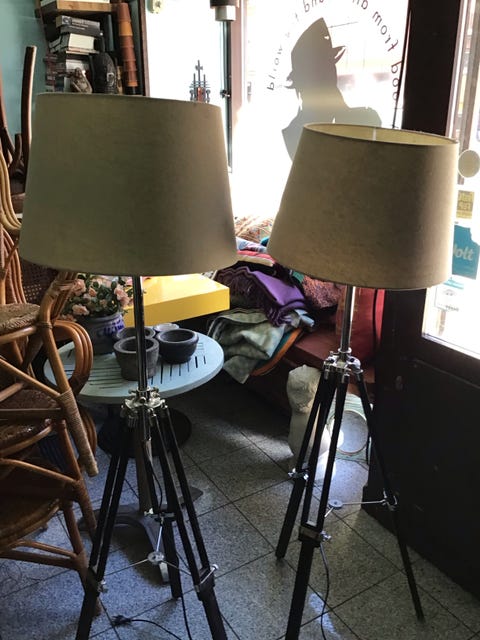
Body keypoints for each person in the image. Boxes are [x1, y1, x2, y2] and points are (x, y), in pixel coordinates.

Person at [282, 18, 381, 160]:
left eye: (330, 66)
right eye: (322, 70)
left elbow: (372, 122)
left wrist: (342, 111)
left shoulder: (359, 118)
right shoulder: (295, 132)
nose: (330, 74)